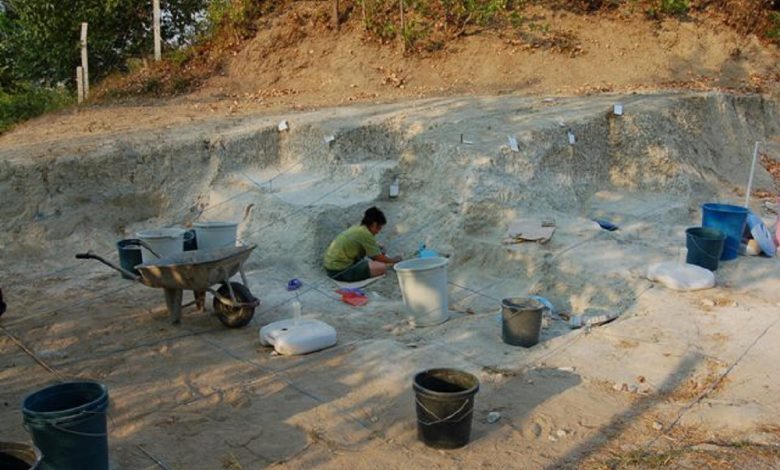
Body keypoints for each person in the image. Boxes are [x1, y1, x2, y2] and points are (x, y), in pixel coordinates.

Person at [324, 207, 401, 282]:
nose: (378, 232)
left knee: (379, 250)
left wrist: (378, 249)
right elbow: (378, 258)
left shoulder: (358, 228)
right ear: (374, 224)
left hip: (331, 266)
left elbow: (370, 245)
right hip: (339, 271)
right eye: (379, 228)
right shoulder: (365, 234)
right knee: (382, 268)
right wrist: (393, 260)